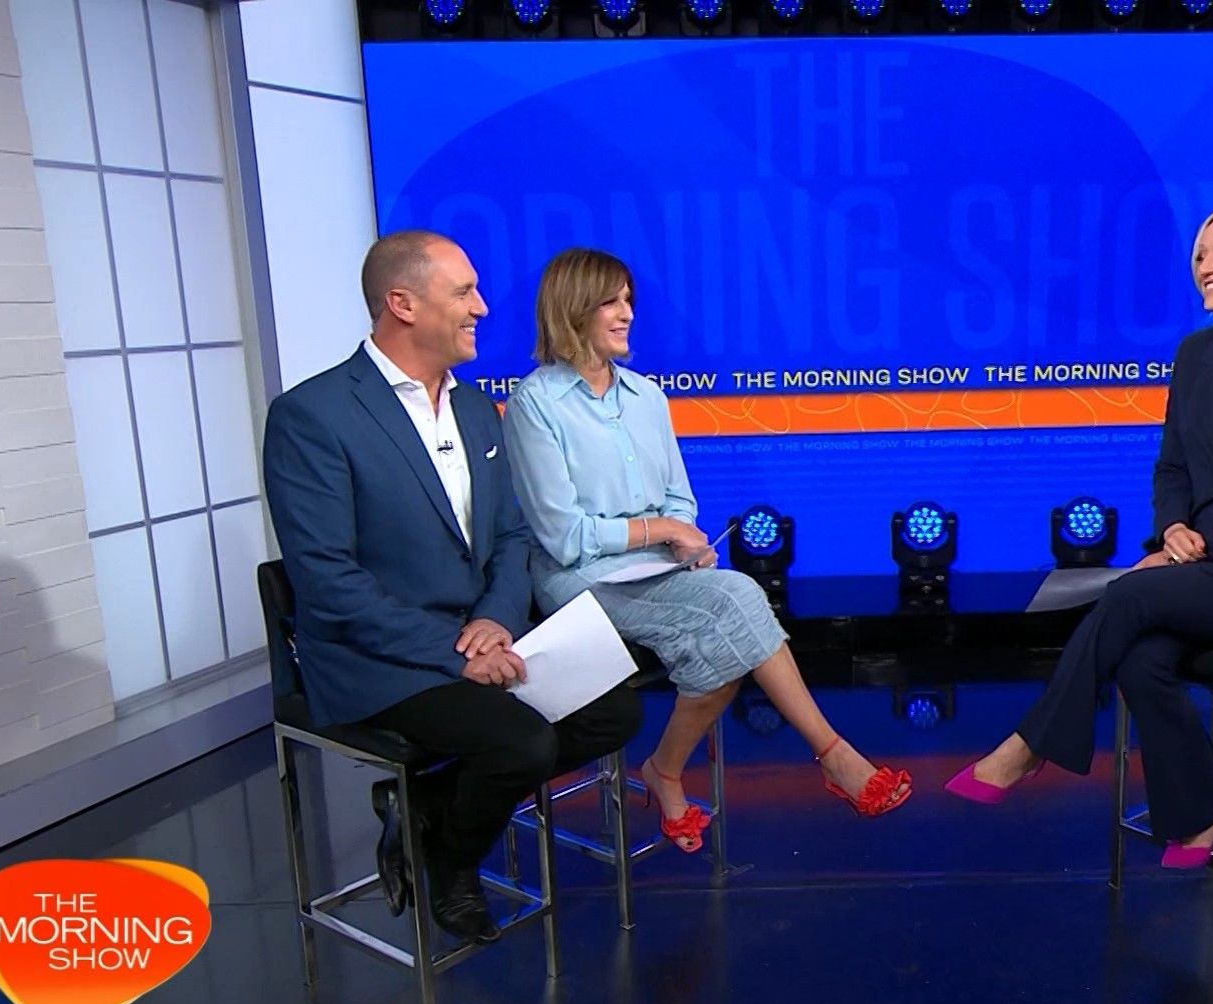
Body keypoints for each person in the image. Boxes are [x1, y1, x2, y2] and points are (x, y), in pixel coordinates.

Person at [945, 196, 1213, 870]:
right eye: (1201, 255)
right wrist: (1174, 527)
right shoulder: (1195, 355)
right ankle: (1208, 806)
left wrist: (1198, 550)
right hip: (1202, 566)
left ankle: (1029, 746)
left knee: (1130, 595)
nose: (1205, 266)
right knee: (1139, 659)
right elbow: (1173, 466)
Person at [263, 230, 641, 943]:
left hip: (476, 635)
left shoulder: (473, 409)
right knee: (521, 745)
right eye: (464, 292)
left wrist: (496, 621)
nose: (483, 307)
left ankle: (431, 802)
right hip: (378, 655)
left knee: (613, 712)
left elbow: (510, 538)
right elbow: (328, 581)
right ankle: (451, 860)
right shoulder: (312, 416)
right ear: (402, 304)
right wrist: (454, 651)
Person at [502, 247, 912, 853]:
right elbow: (564, 537)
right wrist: (663, 531)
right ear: (572, 309)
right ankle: (829, 755)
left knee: (728, 619)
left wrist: (684, 540)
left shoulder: (646, 397)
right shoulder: (535, 405)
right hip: (581, 580)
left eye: (628, 301)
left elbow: (680, 499)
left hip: (656, 569)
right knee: (736, 606)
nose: (627, 314)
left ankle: (668, 769)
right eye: (610, 302)